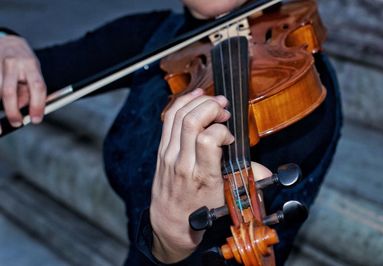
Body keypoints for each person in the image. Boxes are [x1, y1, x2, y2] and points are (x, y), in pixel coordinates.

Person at [0, 0, 342, 265]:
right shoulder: (156, 36)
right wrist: (8, 43)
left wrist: (172, 245)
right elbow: (34, 73)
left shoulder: (294, 82)